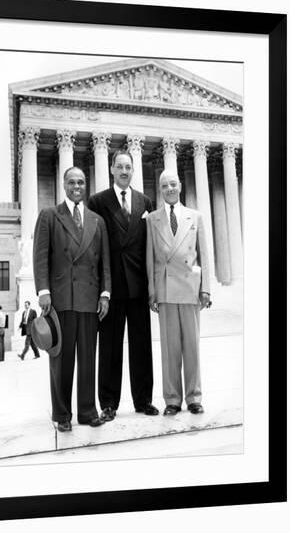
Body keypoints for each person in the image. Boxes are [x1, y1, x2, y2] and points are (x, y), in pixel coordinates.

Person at [33, 166, 111, 432]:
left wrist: (105, 293)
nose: (77, 186)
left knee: (88, 359)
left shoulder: (96, 220)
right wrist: (43, 291)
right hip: (61, 299)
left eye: (81, 182)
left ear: (85, 185)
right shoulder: (49, 215)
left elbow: (105, 263)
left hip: (90, 300)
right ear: (63, 184)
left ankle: (88, 412)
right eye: (72, 182)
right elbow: (40, 256)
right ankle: (62, 415)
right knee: (62, 360)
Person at [87, 149, 158, 421]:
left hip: (139, 286)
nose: (125, 171)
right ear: (112, 170)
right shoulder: (98, 201)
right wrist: (100, 289)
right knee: (109, 347)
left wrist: (153, 286)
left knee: (141, 347)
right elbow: (94, 248)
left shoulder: (145, 202)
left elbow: (151, 247)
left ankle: (144, 400)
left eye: (128, 166)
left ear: (132, 170)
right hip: (111, 287)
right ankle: (108, 403)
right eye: (120, 166)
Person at [146, 170, 211, 416]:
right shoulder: (152, 219)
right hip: (165, 289)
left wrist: (205, 288)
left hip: (190, 288)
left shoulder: (195, 217)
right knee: (169, 348)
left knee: (192, 346)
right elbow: (150, 258)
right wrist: (152, 291)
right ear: (160, 189)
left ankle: (194, 397)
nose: (170, 189)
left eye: (173, 184)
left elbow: (204, 254)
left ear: (180, 186)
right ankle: (172, 399)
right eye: (165, 186)